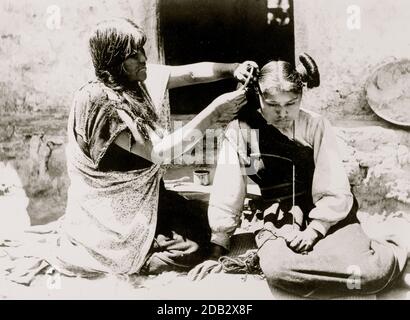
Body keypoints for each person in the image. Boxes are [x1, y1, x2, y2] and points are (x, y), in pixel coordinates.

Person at [50, 18, 260, 277]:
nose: (143, 58)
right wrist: (214, 111)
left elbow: (191, 74)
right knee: (192, 249)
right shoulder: (100, 105)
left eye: (141, 49)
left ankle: (158, 237)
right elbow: (161, 152)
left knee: (204, 221)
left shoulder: (134, 81)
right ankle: (142, 260)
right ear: (113, 61)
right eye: (133, 54)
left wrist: (235, 68)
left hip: (146, 197)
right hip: (114, 215)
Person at [188, 54, 408, 298]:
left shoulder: (315, 125)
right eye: (273, 106)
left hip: (328, 214)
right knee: (279, 270)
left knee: (366, 274)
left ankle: (392, 250)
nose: (283, 113)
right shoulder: (242, 130)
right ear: (259, 97)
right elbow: (229, 190)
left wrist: (315, 230)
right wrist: (217, 250)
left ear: (301, 96)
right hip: (278, 216)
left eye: (291, 103)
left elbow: (333, 185)